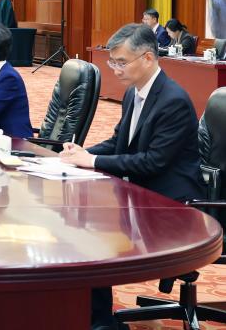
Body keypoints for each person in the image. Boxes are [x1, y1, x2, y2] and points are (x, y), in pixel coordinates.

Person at [60, 23, 204, 330]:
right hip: (142, 192)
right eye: (112, 61)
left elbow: (153, 162)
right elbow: (119, 142)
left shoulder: (173, 101)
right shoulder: (132, 93)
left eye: (121, 62)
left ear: (148, 58)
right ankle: (92, 317)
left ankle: (101, 322)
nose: (115, 69)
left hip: (173, 206)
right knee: (79, 221)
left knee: (94, 232)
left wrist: (92, 160)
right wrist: (81, 154)